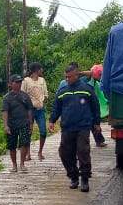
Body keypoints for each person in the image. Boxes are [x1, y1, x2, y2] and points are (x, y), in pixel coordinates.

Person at [48, 63, 101, 192]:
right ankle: (73, 176)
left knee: (83, 152)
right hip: (67, 127)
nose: (67, 79)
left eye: (69, 77)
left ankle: (84, 179)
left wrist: (97, 123)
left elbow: (95, 106)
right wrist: (52, 121)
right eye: (66, 77)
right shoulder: (62, 91)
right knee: (65, 153)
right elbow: (56, 108)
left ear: (77, 75)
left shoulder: (87, 89)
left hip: (83, 126)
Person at [1, 74, 34, 173]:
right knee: (12, 146)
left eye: (20, 82)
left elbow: (29, 110)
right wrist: (6, 125)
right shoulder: (7, 98)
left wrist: (31, 123)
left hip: (24, 123)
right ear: (10, 84)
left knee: (24, 143)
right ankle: (14, 165)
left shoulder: (25, 96)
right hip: (12, 124)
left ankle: (22, 164)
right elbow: (5, 111)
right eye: (17, 82)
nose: (19, 84)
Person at [22, 62, 50, 160]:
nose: (42, 71)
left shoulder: (42, 80)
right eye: (41, 69)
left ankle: (40, 152)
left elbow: (46, 94)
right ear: (36, 70)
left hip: (40, 110)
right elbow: (23, 95)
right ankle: (28, 154)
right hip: (29, 111)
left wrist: (42, 100)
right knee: (29, 131)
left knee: (43, 131)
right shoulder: (26, 81)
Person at [89, 63, 109, 147]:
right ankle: (99, 141)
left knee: (94, 124)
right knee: (94, 124)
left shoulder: (95, 82)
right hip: (88, 106)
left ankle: (99, 141)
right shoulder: (89, 81)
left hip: (91, 106)